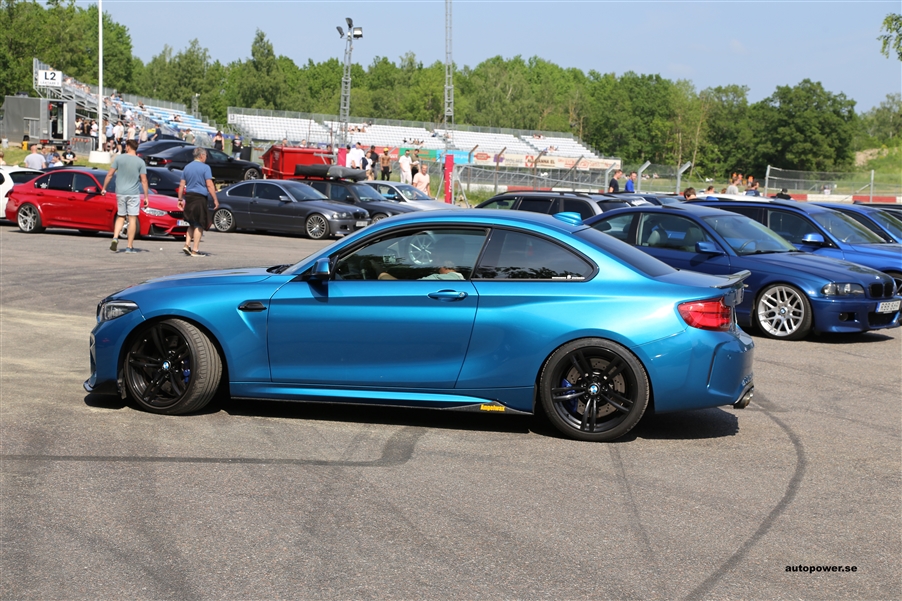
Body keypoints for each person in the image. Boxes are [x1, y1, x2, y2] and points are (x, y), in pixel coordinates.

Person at [101, 139, 149, 254]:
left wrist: (104, 188)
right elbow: (144, 180)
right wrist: (146, 196)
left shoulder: (119, 158)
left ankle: (115, 237)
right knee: (132, 218)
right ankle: (129, 246)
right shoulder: (140, 162)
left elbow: (110, 174)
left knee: (121, 216)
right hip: (133, 193)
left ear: (128, 147)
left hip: (120, 192)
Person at [177, 147, 219, 257]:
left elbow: (181, 185)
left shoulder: (187, 167)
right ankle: (195, 250)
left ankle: (187, 245)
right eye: (206, 156)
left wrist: (180, 199)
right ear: (201, 156)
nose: (206, 158)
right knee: (199, 224)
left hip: (189, 197)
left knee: (191, 222)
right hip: (200, 198)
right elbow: (209, 185)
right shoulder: (205, 167)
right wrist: (215, 199)